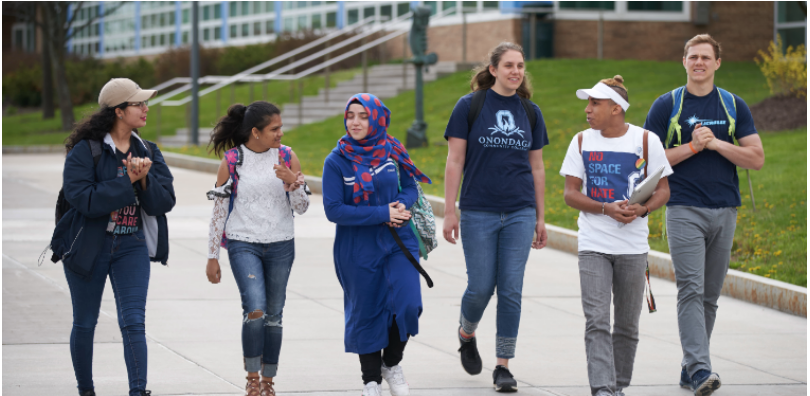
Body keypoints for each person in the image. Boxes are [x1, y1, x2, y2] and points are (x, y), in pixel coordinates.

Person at [643, 34, 764, 396]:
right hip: (683, 207)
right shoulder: (667, 105)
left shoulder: (733, 105)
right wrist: (693, 146)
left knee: (709, 295)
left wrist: (716, 144)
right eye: (693, 56)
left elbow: (755, 158)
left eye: (705, 57)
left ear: (717, 63)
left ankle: (690, 366)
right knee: (691, 290)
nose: (699, 62)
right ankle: (700, 369)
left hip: (725, 208)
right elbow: (647, 158)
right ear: (684, 61)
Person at [49, 78, 176, 396]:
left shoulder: (148, 150)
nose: (146, 108)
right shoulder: (85, 152)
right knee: (86, 322)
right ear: (119, 111)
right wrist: (127, 179)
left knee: (134, 321)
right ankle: (86, 391)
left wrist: (144, 181)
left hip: (130, 245)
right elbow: (84, 200)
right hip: (88, 247)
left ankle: (138, 391)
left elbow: (165, 202)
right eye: (139, 104)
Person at [442, 42, 549, 392]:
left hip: (520, 210)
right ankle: (466, 332)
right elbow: (455, 160)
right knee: (481, 287)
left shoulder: (530, 112)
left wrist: (540, 217)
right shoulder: (469, 107)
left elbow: (537, 167)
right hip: (478, 211)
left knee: (511, 290)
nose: (516, 71)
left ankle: (503, 365)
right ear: (493, 70)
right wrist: (449, 210)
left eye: (520, 65)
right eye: (508, 65)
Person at [560, 75, 673, 396]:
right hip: (593, 245)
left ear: (616, 108)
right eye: (588, 103)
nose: (588, 109)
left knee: (626, 326)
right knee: (596, 321)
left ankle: (618, 385)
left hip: (633, 248)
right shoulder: (582, 141)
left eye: (595, 103)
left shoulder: (647, 141)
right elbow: (570, 194)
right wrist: (605, 208)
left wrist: (644, 209)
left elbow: (663, 190)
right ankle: (602, 389)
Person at [322, 93, 432, 396]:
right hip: (357, 246)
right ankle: (370, 380)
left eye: (363, 115)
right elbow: (334, 210)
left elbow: (411, 186)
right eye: (350, 115)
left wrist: (402, 204)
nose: (355, 122)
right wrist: (382, 213)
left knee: (409, 305)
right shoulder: (337, 160)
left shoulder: (393, 150)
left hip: (400, 240)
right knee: (367, 310)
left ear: (377, 118)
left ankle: (391, 363)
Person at [205, 101, 309, 396]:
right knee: (255, 309)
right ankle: (252, 378)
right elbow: (218, 213)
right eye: (274, 128)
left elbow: (301, 208)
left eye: (280, 127)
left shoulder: (288, 157)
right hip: (243, 243)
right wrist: (213, 256)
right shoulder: (233, 161)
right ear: (255, 132)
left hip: (281, 245)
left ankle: (268, 381)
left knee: (274, 315)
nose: (280, 133)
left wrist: (294, 184)